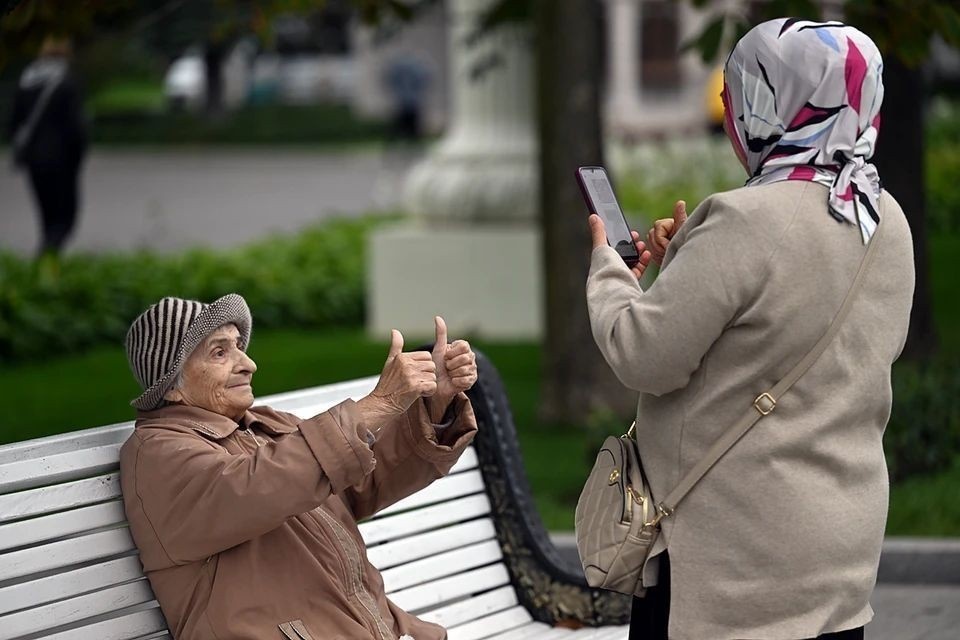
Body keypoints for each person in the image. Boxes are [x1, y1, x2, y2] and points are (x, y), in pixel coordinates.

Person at [585, 19, 914, 640]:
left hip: (734, 559)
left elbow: (643, 354)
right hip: (839, 544)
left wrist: (610, 271)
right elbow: (791, 328)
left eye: (742, 93)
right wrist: (691, 262)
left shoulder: (744, 220)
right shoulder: (883, 218)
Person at [119, 293, 479, 639]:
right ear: (171, 386)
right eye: (219, 352)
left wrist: (436, 403)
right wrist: (379, 404)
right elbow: (255, 489)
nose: (248, 364)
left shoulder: (267, 425)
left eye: (239, 347)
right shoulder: (157, 454)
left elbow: (361, 484)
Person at [6, 36, 88, 259]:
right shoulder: (66, 82)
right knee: (65, 217)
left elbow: (14, 122)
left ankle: (47, 260)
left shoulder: (26, 80)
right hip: (62, 160)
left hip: (33, 159)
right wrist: (78, 158)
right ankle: (47, 258)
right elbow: (76, 128)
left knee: (46, 215)